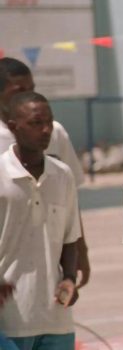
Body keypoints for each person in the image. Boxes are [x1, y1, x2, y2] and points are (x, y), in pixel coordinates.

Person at [0, 57, 90, 288]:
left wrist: (80, 249)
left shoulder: (54, 132)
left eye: (31, 89)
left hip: (48, 254)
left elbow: (70, 199)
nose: (26, 96)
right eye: (19, 91)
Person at [0, 91, 81, 349]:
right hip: (9, 320)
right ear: (13, 127)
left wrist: (69, 277)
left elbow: (70, 236)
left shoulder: (62, 175)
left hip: (56, 320)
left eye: (49, 122)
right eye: (36, 123)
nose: (46, 130)